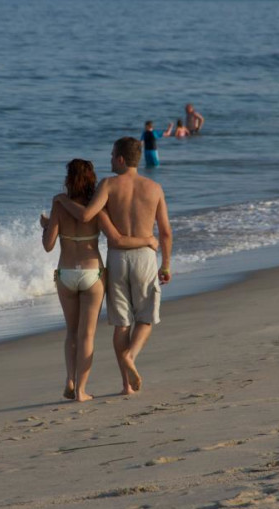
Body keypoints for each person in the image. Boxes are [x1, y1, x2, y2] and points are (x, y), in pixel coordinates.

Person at [56, 137, 173, 395]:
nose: (109, 160)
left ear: (121, 159)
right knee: (146, 318)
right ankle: (131, 355)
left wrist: (61, 201)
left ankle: (125, 386)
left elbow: (87, 215)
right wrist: (165, 264)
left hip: (118, 257)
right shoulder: (154, 188)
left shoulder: (108, 185)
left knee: (122, 324)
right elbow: (165, 232)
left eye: (111, 156)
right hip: (144, 256)